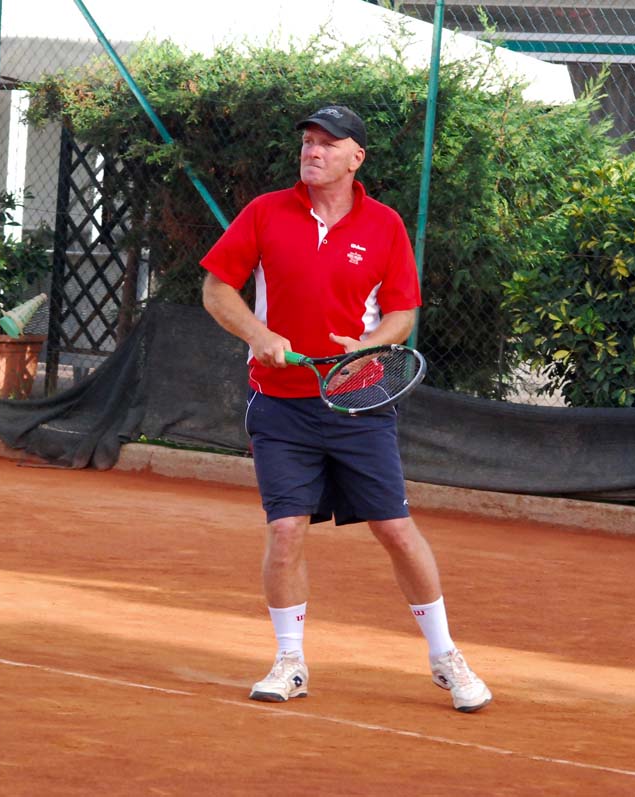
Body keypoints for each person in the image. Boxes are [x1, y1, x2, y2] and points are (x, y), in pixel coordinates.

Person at [200, 104, 491, 713]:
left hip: (358, 403)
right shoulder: (265, 212)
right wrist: (258, 334)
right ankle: (290, 662)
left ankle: (445, 657)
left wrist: (369, 345)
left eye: (327, 144)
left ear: (356, 157)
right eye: (308, 141)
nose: (313, 151)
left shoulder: (384, 225)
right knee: (286, 529)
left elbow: (402, 312)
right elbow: (217, 288)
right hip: (279, 405)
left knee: (395, 530)